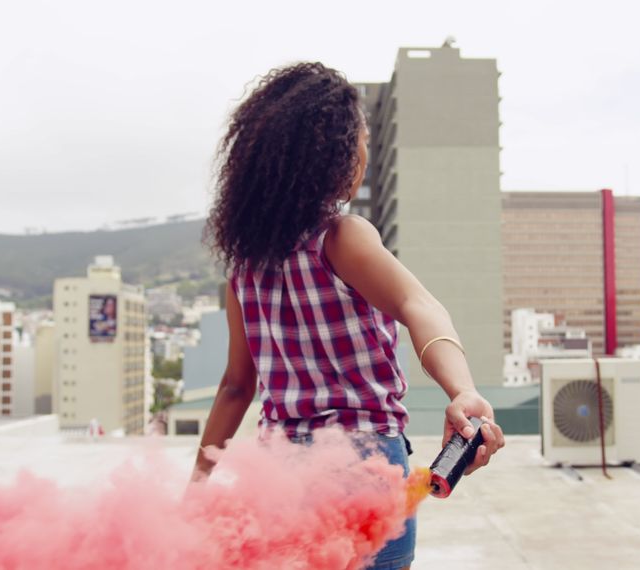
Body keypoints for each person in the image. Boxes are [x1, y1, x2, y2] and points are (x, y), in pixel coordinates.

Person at [192, 62, 506, 570]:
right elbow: (417, 304)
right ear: (334, 156)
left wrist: (198, 487)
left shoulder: (243, 268)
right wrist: (461, 390)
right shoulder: (341, 236)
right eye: (358, 137)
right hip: (362, 466)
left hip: (279, 472)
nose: (362, 148)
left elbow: (234, 388)